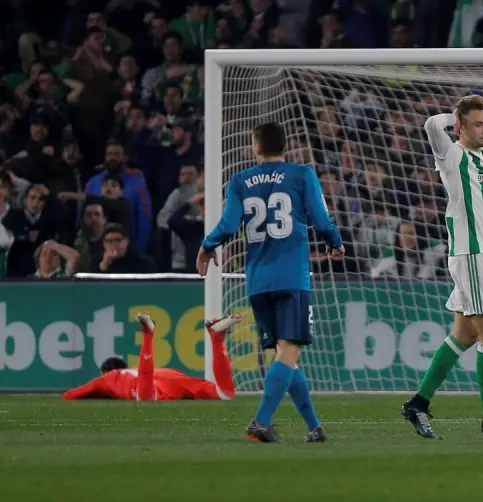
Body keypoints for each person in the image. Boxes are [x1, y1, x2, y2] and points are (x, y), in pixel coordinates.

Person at [197, 122, 344, 444]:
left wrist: (208, 246)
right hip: (292, 277)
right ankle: (261, 422)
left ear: (256, 147)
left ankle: (314, 427)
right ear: (285, 146)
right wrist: (335, 241)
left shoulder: (240, 180)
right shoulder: (302, 174)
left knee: (285, 355)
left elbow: (229, 225)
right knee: (289, 352)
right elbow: (321, 218)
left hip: (258, 281)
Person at [401, 94, 483, 440]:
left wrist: (481, 113)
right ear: (459, 127)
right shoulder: (451, 155)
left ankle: (418, 403)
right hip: (471, 255)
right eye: (478, 125)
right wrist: (456, 115)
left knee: (465, 334)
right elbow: (431, 124)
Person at [63, 312, 237, 401]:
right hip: (171, 376)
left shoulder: (108, 378)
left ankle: (148, 334)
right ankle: (216, 338)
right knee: (224, 393)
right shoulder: (156, 371)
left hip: (147, 384)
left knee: (145, 398)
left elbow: (69, 395)